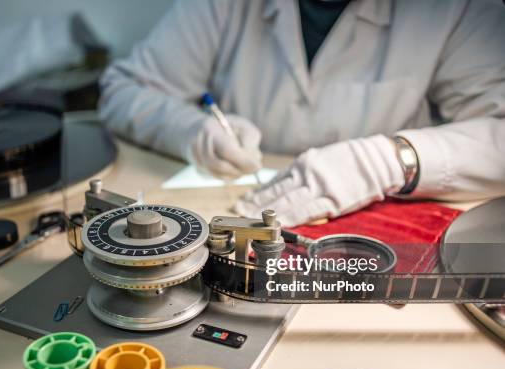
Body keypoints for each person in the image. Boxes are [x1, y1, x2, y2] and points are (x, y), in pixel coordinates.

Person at [98, 0, 505, 226]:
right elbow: (123, 90)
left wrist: (386, 161)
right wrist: (190, 130)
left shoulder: (456, 9)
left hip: (373, 233)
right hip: (239, 202)